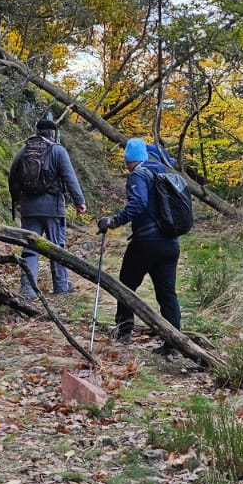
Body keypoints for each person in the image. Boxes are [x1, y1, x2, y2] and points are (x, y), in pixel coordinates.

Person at [97, 137, 181, 341]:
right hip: (171, 242)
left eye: (126, 161)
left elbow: (138, 204)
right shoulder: (163, 172)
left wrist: (114, 221)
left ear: (130, 160)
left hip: (146, 242)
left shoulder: (138, 174)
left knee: (126, 286)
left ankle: (124, 332)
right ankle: (175, 343)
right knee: (167, 294)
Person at [9, 116, 86, 297]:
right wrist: (79, 201)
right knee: (56, 248)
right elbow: (69, 177)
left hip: (29, 208)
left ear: (37, 131)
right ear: (53, 133)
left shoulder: (24, 150)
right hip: (53, 208)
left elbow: (12, 176)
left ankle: (28, 290)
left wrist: (17, 200)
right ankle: (60, 287)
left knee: (29, 248)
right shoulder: (58, 151)